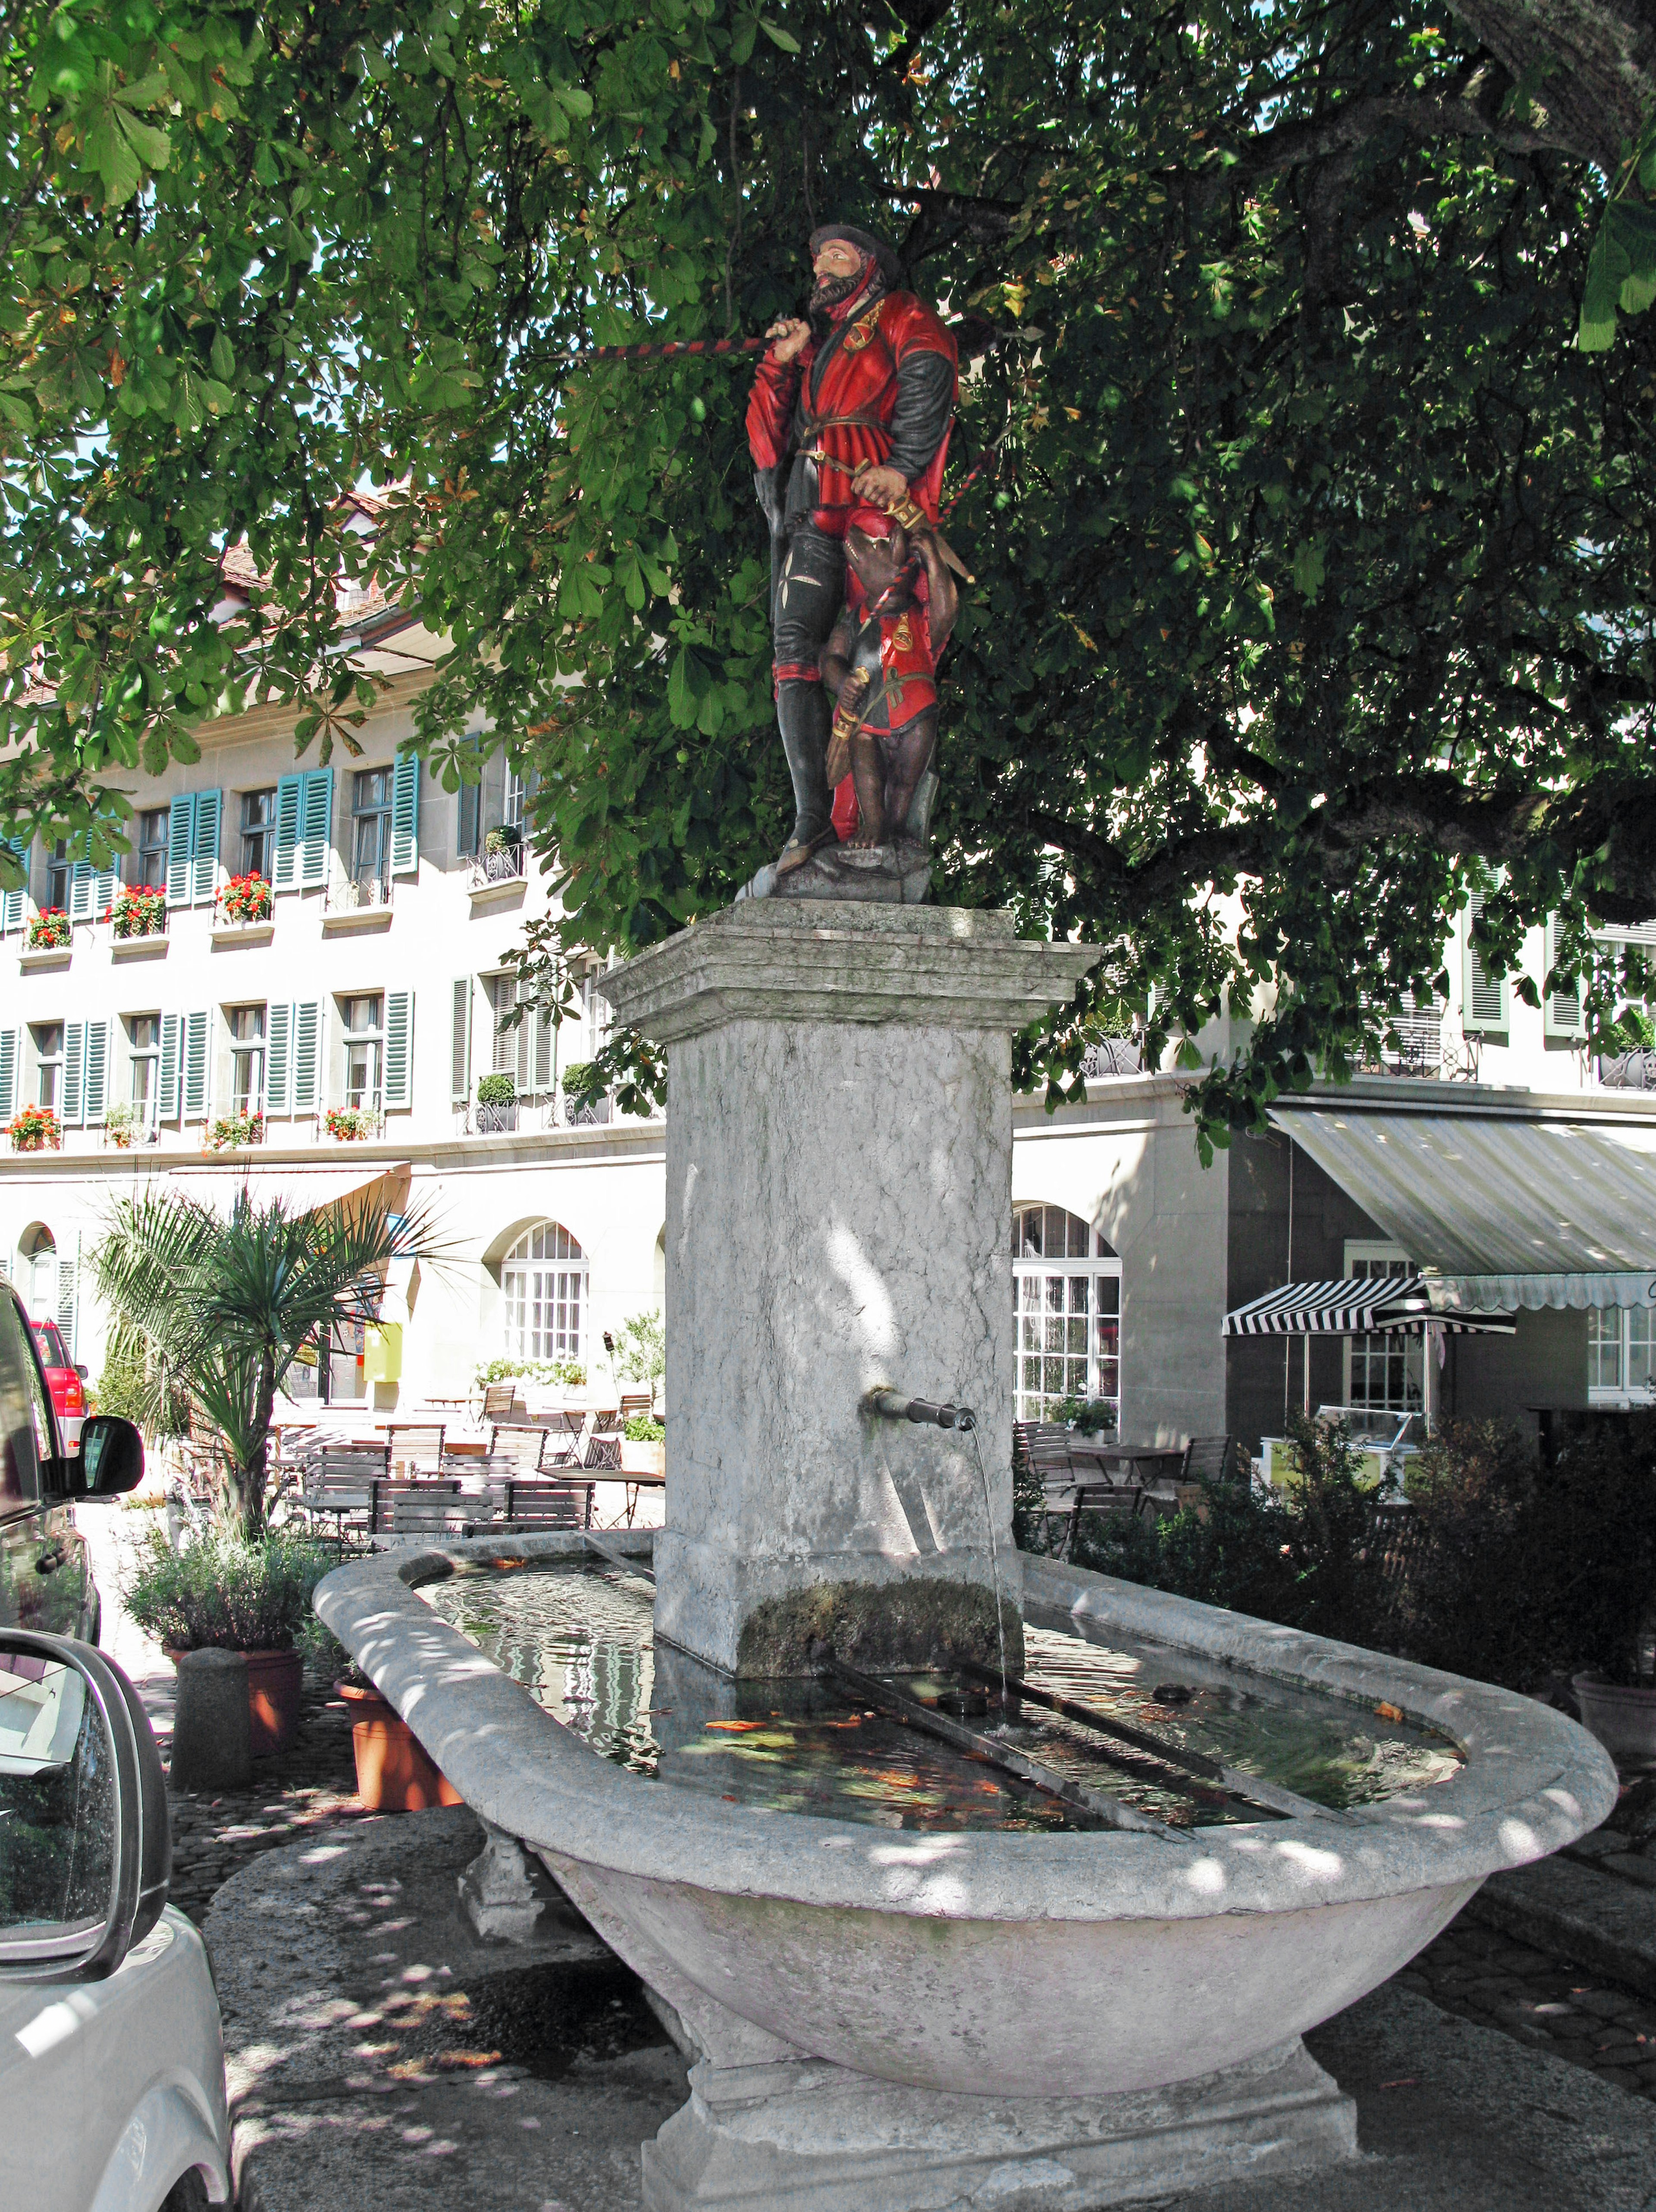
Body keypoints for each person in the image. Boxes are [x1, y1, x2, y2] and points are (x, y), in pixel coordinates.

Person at [746, 224, 957, 875]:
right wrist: (781, 365)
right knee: (793, 652)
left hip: (870, 507)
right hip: (813, 505)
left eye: (836, 255)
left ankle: (880, 814)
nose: (821, 267)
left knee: (884, 642)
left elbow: (930, 368)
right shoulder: (821, 348)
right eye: (816, 258)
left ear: (870, 265)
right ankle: (813, 816)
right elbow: (769, 436)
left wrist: (904, 463)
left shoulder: (900, 312)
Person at [821, 504, 960, 850]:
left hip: (917, 715)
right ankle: (875, 823)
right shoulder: (855, 621)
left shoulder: (918, 616)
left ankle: (896, 829)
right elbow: (831, 660)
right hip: (870, 718)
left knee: (903, 786)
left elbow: (948, 611)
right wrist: (842, 683)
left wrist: (932, 557)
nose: (869, 548)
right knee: (863, 748)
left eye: (879, 545)